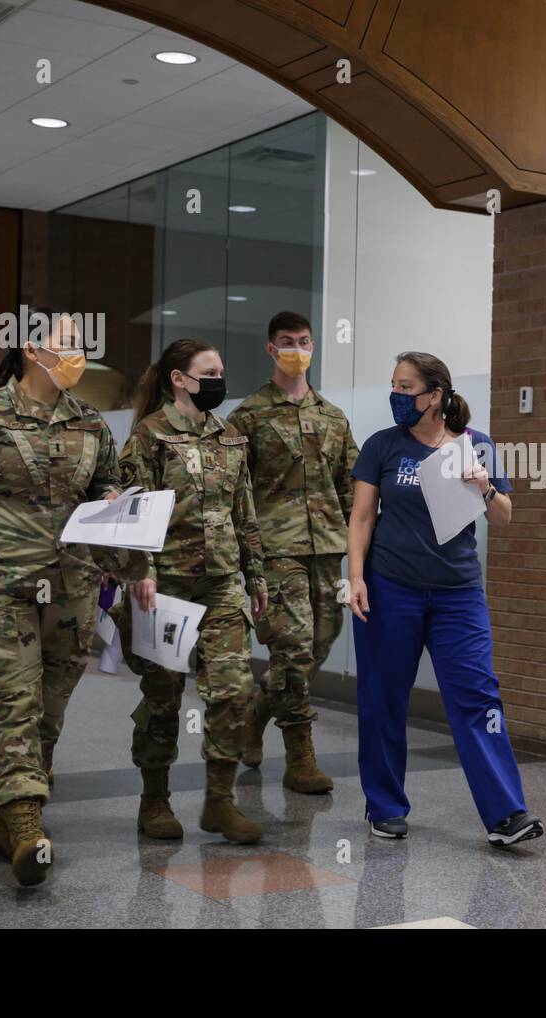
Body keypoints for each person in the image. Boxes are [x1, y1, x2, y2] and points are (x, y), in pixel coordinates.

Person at [0, 309, 143, 887]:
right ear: (30, 349)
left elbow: (104, 489)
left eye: (83, 343)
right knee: (14, 702)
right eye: (67, 342)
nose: (79, 353)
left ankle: (9, 821)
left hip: (72, 588)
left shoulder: (90, 423)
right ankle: (25, 828)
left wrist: (122, 510)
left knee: (50, 708)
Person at [346, 351, 544, 847]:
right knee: (384, 697)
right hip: (391, 588)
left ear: (435, 395)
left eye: (406, 386)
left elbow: (503, 517)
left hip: (458, 594)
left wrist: (485, 488)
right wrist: (355, 577)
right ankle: (385, 807)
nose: (397, 395)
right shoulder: (382, 446)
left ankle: (506, 814)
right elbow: (363, 518)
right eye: (394, 384)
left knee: (479, 697)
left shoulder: (478, 446)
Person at [113, 339, 270, 844]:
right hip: (167, 589)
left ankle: (219, 802)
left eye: (222, 371)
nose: (219, 380)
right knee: (163, 698)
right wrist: (141, 571)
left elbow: (244, 512)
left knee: (234, 692)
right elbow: (133, 510)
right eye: (209, 372)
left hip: (222, 584)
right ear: (179, 379)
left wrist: (257, 576)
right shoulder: (150, 435)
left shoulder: (231, 436)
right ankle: (154, 799)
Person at [228, 312, 358, 792]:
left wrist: (361, 554)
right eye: (287, 341)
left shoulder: (333, 417)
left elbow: (351, 489)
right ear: (270, 348)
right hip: (276, 550)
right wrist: (247, 558)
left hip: (327, 549)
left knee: (317, 646)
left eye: (305, 341)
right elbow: (235, 492)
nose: (297, 349)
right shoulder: (248, 416)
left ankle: (257, 713)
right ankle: (300, 758)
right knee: (293, 647)